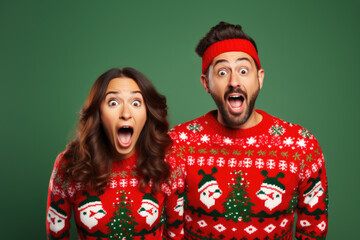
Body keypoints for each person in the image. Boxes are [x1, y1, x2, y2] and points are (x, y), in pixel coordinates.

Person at [168, 22, 328, 239]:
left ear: (259, 78)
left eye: (243, 70)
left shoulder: (301, 145)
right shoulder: (177, 144)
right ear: (206, 83)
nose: (234, 81)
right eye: (222, 72)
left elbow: (313, 230)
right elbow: (170, 230)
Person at [46, 67, 184, 239]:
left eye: (136, 103)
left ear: (147, 113)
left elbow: (176, 234)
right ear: (98, 112)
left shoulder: (167, 161)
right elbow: (56, 234)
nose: (126, 114)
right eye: (113, 102)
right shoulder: (69, 164)